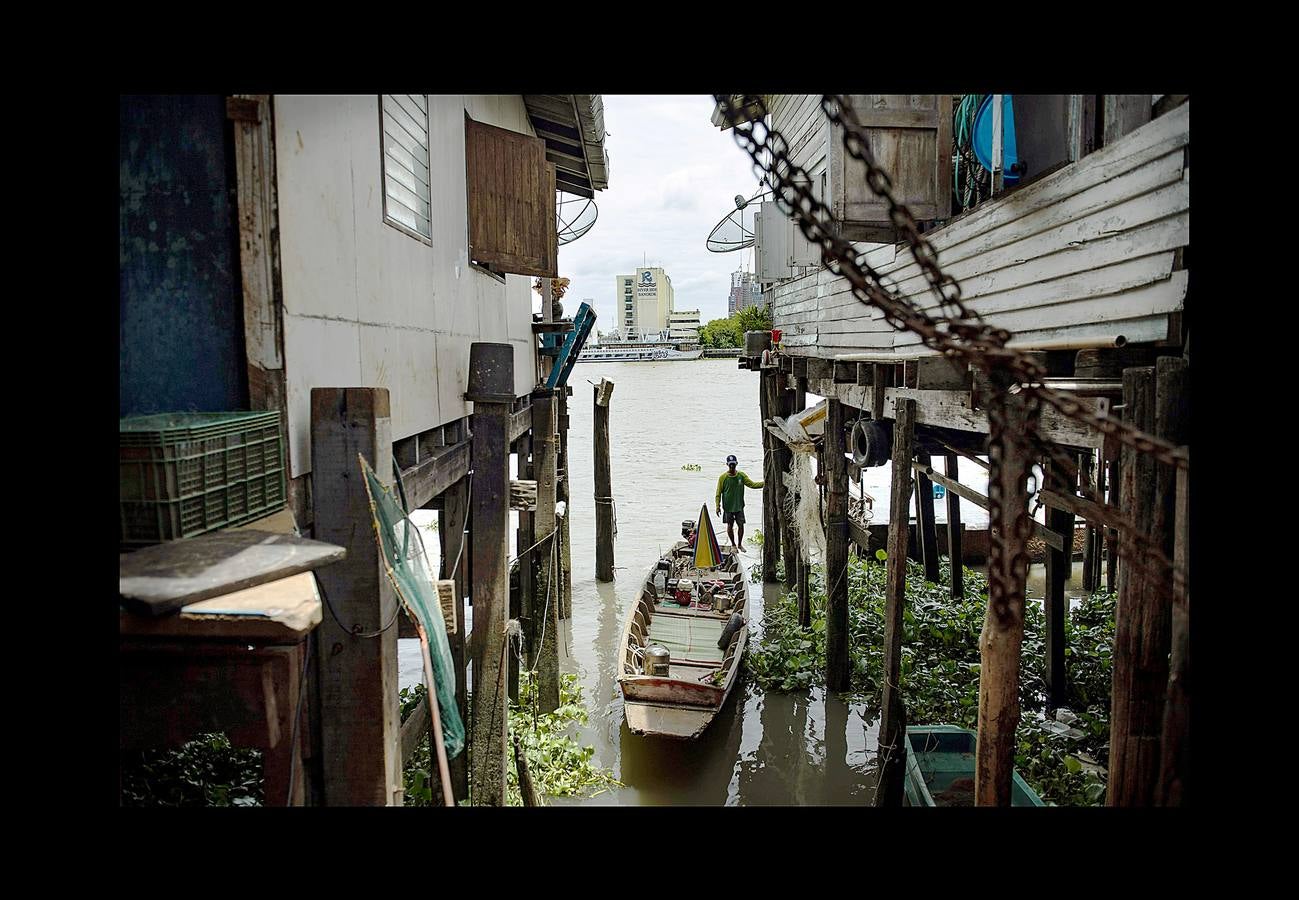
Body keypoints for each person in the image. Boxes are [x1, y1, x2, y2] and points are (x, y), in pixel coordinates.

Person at [715, 454, 763, 549]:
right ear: (727, 465)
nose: (732, 466)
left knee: (741, 525)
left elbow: (752, 484)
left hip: (739, 506)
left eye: (733, 464)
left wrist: (765, 483)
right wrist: (717, 506)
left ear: (736, 464)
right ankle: (733, 544)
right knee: (730, 525)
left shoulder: (741, 476)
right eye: (730, 465)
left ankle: (740, 544)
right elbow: (718, 493)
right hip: (728, 507)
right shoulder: (723, 478)